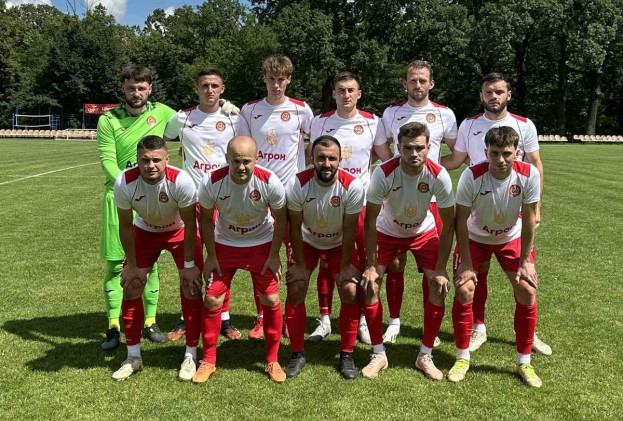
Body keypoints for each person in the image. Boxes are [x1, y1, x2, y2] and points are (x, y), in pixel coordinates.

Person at [441, 72, 550, 355]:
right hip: (478, 209)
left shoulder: (524, 125)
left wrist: (536, 207)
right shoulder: (469, 124)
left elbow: (535, 164)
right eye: (488, 92)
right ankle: (478, 327)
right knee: (476, 275)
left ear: (508, 95)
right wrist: (420, 159)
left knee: (525, 280)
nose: (494, 96)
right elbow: (457, 159)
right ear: (481, 95)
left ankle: (528, 332)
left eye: (499, 92)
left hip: (512, 206)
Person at [361, 122, 455, 380]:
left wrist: (441, 268)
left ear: (429, 147)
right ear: (398, 148)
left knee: (438, 285)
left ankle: (425, 354)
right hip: (387, 232)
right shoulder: (383, 173)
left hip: (423, 233)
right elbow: (370, 220)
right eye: (408, 148)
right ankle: (378, 354)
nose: (414, 153)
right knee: (370, 284)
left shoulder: (438, 174)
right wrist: (371, 265)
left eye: (419, 148)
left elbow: (449, 224)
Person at [449, 126, 543, 387]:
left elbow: (529, 218)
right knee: (465, 289)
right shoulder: (472, 175)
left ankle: (524, 362)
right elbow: (460, 220)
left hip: (510, 238)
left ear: (517, 152)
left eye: (507, 154)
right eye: (495, 153)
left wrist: (526, 261)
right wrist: (466, 263)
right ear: (486, 152)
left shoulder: (529, 174)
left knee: (527, 290)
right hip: (475, 238)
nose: (501, 160)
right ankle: (462, 357)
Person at [306, 71, 392, 344]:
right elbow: (312, 160)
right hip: (326, 201)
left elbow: (386, 159)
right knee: (325, 259)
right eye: (341, 90)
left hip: (361, 203)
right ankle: (324, 320)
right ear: (333, 93)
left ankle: (363, 319)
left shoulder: (372, 122)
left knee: (363, 261)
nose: (346, 95)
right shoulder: (320, 122)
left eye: (351, 90)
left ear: (359, 93)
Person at [194, 136, 288, 383]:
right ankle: (208, 360)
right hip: (226, 245)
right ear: (227, 159)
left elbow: (281, 219)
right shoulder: (212, 181)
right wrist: (211, 255)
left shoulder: (269, 181)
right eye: (235, 161)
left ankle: (272, 360)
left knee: (270, 298)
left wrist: (274, 255)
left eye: (247, 161)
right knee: (212, 299)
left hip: (261, 244)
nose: (241, 167)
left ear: (257, 159)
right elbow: (205, 220)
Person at [111, 136, 203, 381]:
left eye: (156, 160)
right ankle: (133, 356)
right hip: (145, 232)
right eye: (145, 160)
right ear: (137, 160)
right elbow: (125, 227)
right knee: (132, 286)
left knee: (191, 286)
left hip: (179, 231)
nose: (150, 165)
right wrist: (132, 265)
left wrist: (190, 266)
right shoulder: (124, 182)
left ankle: (191, 354)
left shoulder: (181, 180)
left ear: (167, 160)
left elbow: (191, 225)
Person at [97, 64, 176, 350]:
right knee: (115, 264)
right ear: (123, 88)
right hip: (118, 197)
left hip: (150, 198)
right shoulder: (108, 119)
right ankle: (113, 325)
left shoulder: (163, 113)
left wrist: (226, 110)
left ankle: (150, 321)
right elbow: (107, 160)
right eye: (131, 88)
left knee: (148, 263)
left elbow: (195, 123)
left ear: (150, 89)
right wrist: (129, 186)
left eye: (142, 88)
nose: (136, 93)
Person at [379, 60, 458, 344]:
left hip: (432, 199)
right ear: (405, 83)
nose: (417, 85)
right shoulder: (391, 113)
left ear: (431, 83)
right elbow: (382, 149)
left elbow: (458, 154)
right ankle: (394, 321)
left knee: (431, 268)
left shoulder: (445, 114)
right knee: (395, 263)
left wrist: (434, 170)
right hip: (398, 196)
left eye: (423, 80)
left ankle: (429, 328)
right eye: (412, 80)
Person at [236, 55, 313, 339]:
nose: (276, 85)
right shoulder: (250, 110)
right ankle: (262, 316)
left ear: (289, 80)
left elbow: (316, 144)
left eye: (281, 79)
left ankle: (291, 316)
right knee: (261, 258)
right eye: (271, 79)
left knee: (293, 257)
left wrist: (304, 168)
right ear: (264, 79)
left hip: (292, 194)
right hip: (258, 193)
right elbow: (242, 148)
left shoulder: (301, 110)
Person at [163, 67, 241, 341]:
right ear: (196, 88)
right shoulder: (181, 118)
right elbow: (159, 138)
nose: (210, 90)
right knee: (192, 260)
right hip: (192, 201)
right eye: (205, 85)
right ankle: (186, 317)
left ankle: (224, 318)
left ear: (222, 89)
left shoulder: (234, 118)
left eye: (215, 86)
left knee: (222, 260)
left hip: (225, 200)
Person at [284, 135, 365, 380]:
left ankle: (347, 354)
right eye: (321, 158)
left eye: (332, 158)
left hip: (339, 243)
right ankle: (297, 353)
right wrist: (299, 265)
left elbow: (350, 229)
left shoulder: (352, 186)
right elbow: (294, 226)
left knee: (350, 291)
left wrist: (346, 265)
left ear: (340, 160)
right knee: (296, 287)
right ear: (311, 158)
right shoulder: (297, 183)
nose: (326, 164)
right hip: (307, 241)